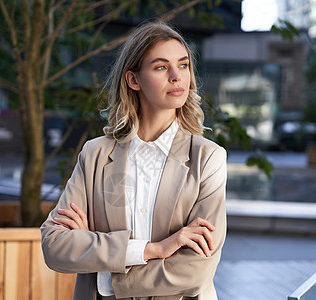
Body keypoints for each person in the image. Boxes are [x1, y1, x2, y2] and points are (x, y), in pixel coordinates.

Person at [41, 21, 227, 300]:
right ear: (134, 80)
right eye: (161, 67)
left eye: (184, 65)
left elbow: (196, 271)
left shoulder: (207, 158)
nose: (177, 76)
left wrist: (104, 271)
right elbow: (55, 246)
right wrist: (151, 250)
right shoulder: (95, 154)